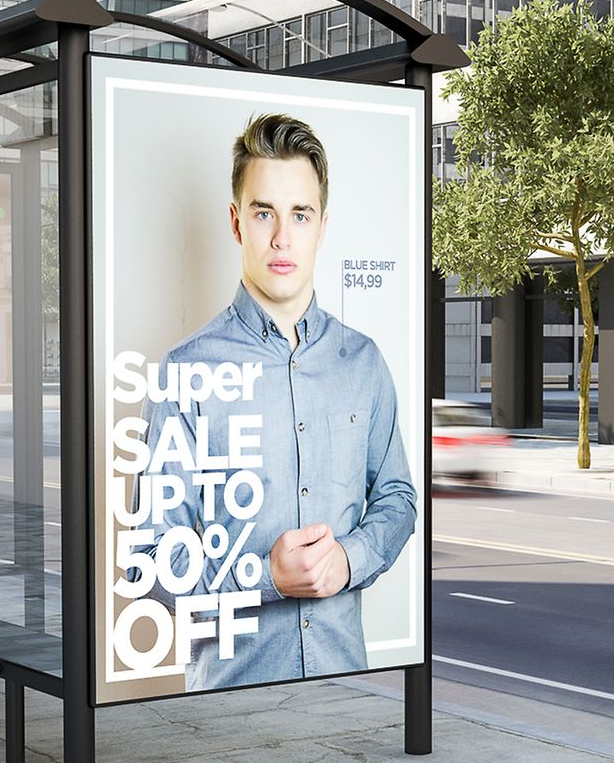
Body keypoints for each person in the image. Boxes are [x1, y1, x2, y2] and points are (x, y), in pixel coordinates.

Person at [132, 112, 416, 691]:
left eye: (300, 215)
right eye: (264, 213)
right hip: (228, 712)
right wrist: (265, 578)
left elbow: (398, 497)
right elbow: (151, 561)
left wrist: (351, 558)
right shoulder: (188, 372)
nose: (282, 237)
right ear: (237, 223)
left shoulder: (363, 363)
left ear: (322, 227)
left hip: (347, 693)